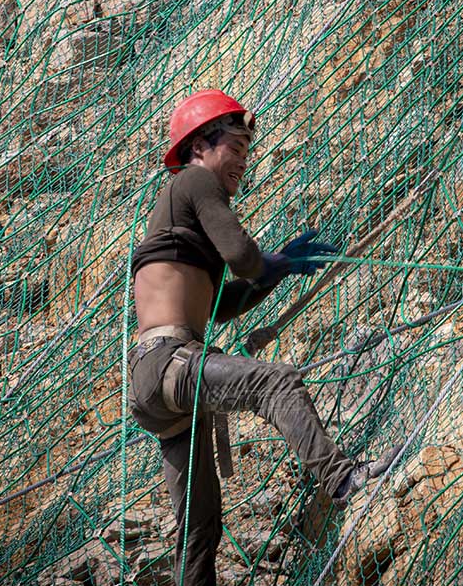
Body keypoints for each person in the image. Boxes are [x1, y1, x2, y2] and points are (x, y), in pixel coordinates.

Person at [127, 89, 398, 585]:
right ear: (198, 147)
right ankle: (343, 479)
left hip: (157, 383)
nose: (242, 163)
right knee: (275, 384)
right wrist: (271, 264)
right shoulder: (192, 180)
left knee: (200, 529)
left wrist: (269, 275)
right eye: (235, 147)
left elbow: (218, 307)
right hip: (171, 362)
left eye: (246, 151)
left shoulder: (180, 228)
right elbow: (243, 256)